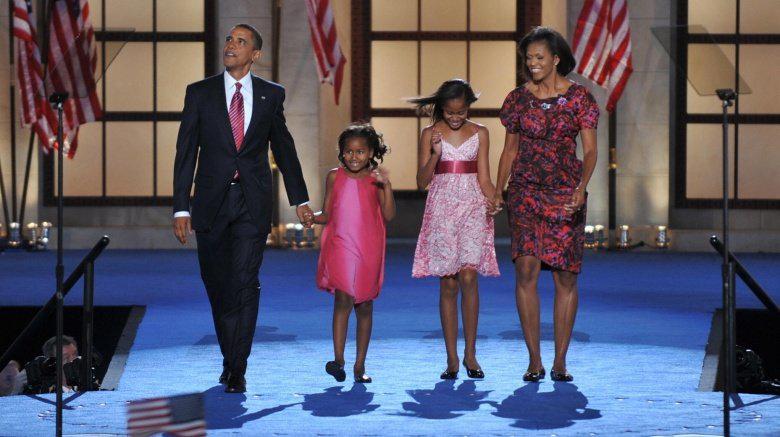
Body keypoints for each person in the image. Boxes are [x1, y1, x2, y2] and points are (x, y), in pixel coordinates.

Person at [172, 23, 313, 393]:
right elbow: (185, 152)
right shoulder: (200, 93)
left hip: (252, 202)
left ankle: (238, 367)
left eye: (241, 41)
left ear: (255, 54)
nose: (231, 45)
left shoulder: (271, 94)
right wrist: (180, 208)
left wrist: (300, 199)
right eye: (229, 39)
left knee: (246, 282)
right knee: (218, 285)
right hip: (210, 204)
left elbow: (284, 148)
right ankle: (229, 356)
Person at [495, 27, 599, 383]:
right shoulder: (517, 99)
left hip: (566, 192)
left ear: (555, 59)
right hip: (524, 191)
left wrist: (582, 187)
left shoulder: (580, 98)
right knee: (526, 269)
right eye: (528, 58)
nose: (533, 63)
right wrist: (499, 190)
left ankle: (560, 361)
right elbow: (509, 149)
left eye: (539, 57)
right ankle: (534, 361)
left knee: (565, 275)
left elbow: (590, 151)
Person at [411, 79, 500, 380]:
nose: (455, 117)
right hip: (442, 209)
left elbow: (485, 178)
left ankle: (470, 354)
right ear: (442, 108)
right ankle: (451, 358)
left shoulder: (481, 133)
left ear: (469, 107)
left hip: (473, 206)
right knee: (448, 284)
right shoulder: (429, 134)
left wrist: (495, 199)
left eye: (461, 112)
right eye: (450, 112)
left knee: (469, 277)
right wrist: (436, 154)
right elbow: (421, 182)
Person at [313, 123, 395, 384]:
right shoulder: (334, 177)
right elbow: (327, 213)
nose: (353, 156)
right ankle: (338, 360)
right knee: (343, 298)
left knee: (365, 305)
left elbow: (389, 215)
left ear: (370, 152)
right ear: (341, 152)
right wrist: (312, 217)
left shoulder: (376, 179)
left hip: (369, 247)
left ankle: (360, 365)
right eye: (348, 151)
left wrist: (387, 186)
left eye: (360, 151)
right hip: (341, 245)